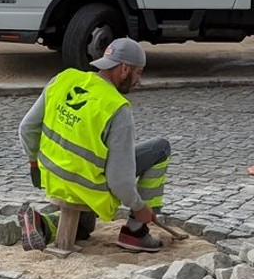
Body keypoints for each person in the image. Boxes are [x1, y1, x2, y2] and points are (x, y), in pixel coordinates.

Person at [17, 37, 172, 254]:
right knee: (160, 148)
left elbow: (26, 128)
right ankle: (136, 232)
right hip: (89, 187)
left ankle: (43, 224)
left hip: (53, 179)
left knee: (86, 226)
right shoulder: (117, 108)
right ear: (125, 69)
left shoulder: (64, 79)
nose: (139, 81)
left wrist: (34, 164)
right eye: (139, 73)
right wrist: (140, 207)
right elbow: (120, 181)